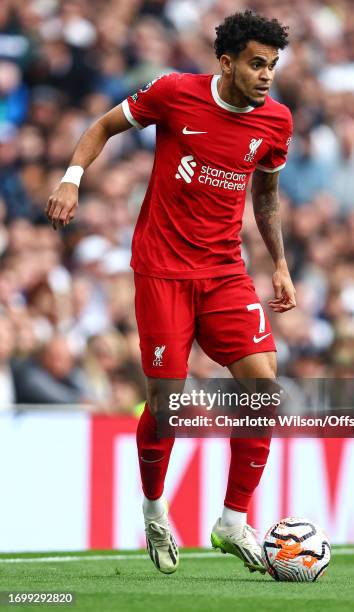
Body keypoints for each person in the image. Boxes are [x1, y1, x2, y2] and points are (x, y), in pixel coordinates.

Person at [45, 10, 296, 575]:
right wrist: (71, 178)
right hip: (162, 269)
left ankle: (234, 520)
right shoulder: (174, 93)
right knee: (167, 407)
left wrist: (279, 264)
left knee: (264, 391)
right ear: (227, 62)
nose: (266, 76)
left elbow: (268, 196)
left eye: (273, 66)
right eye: (257, 64)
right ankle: (156, 509)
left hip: (225, 270)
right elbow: (103, 127)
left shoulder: (276, 121)